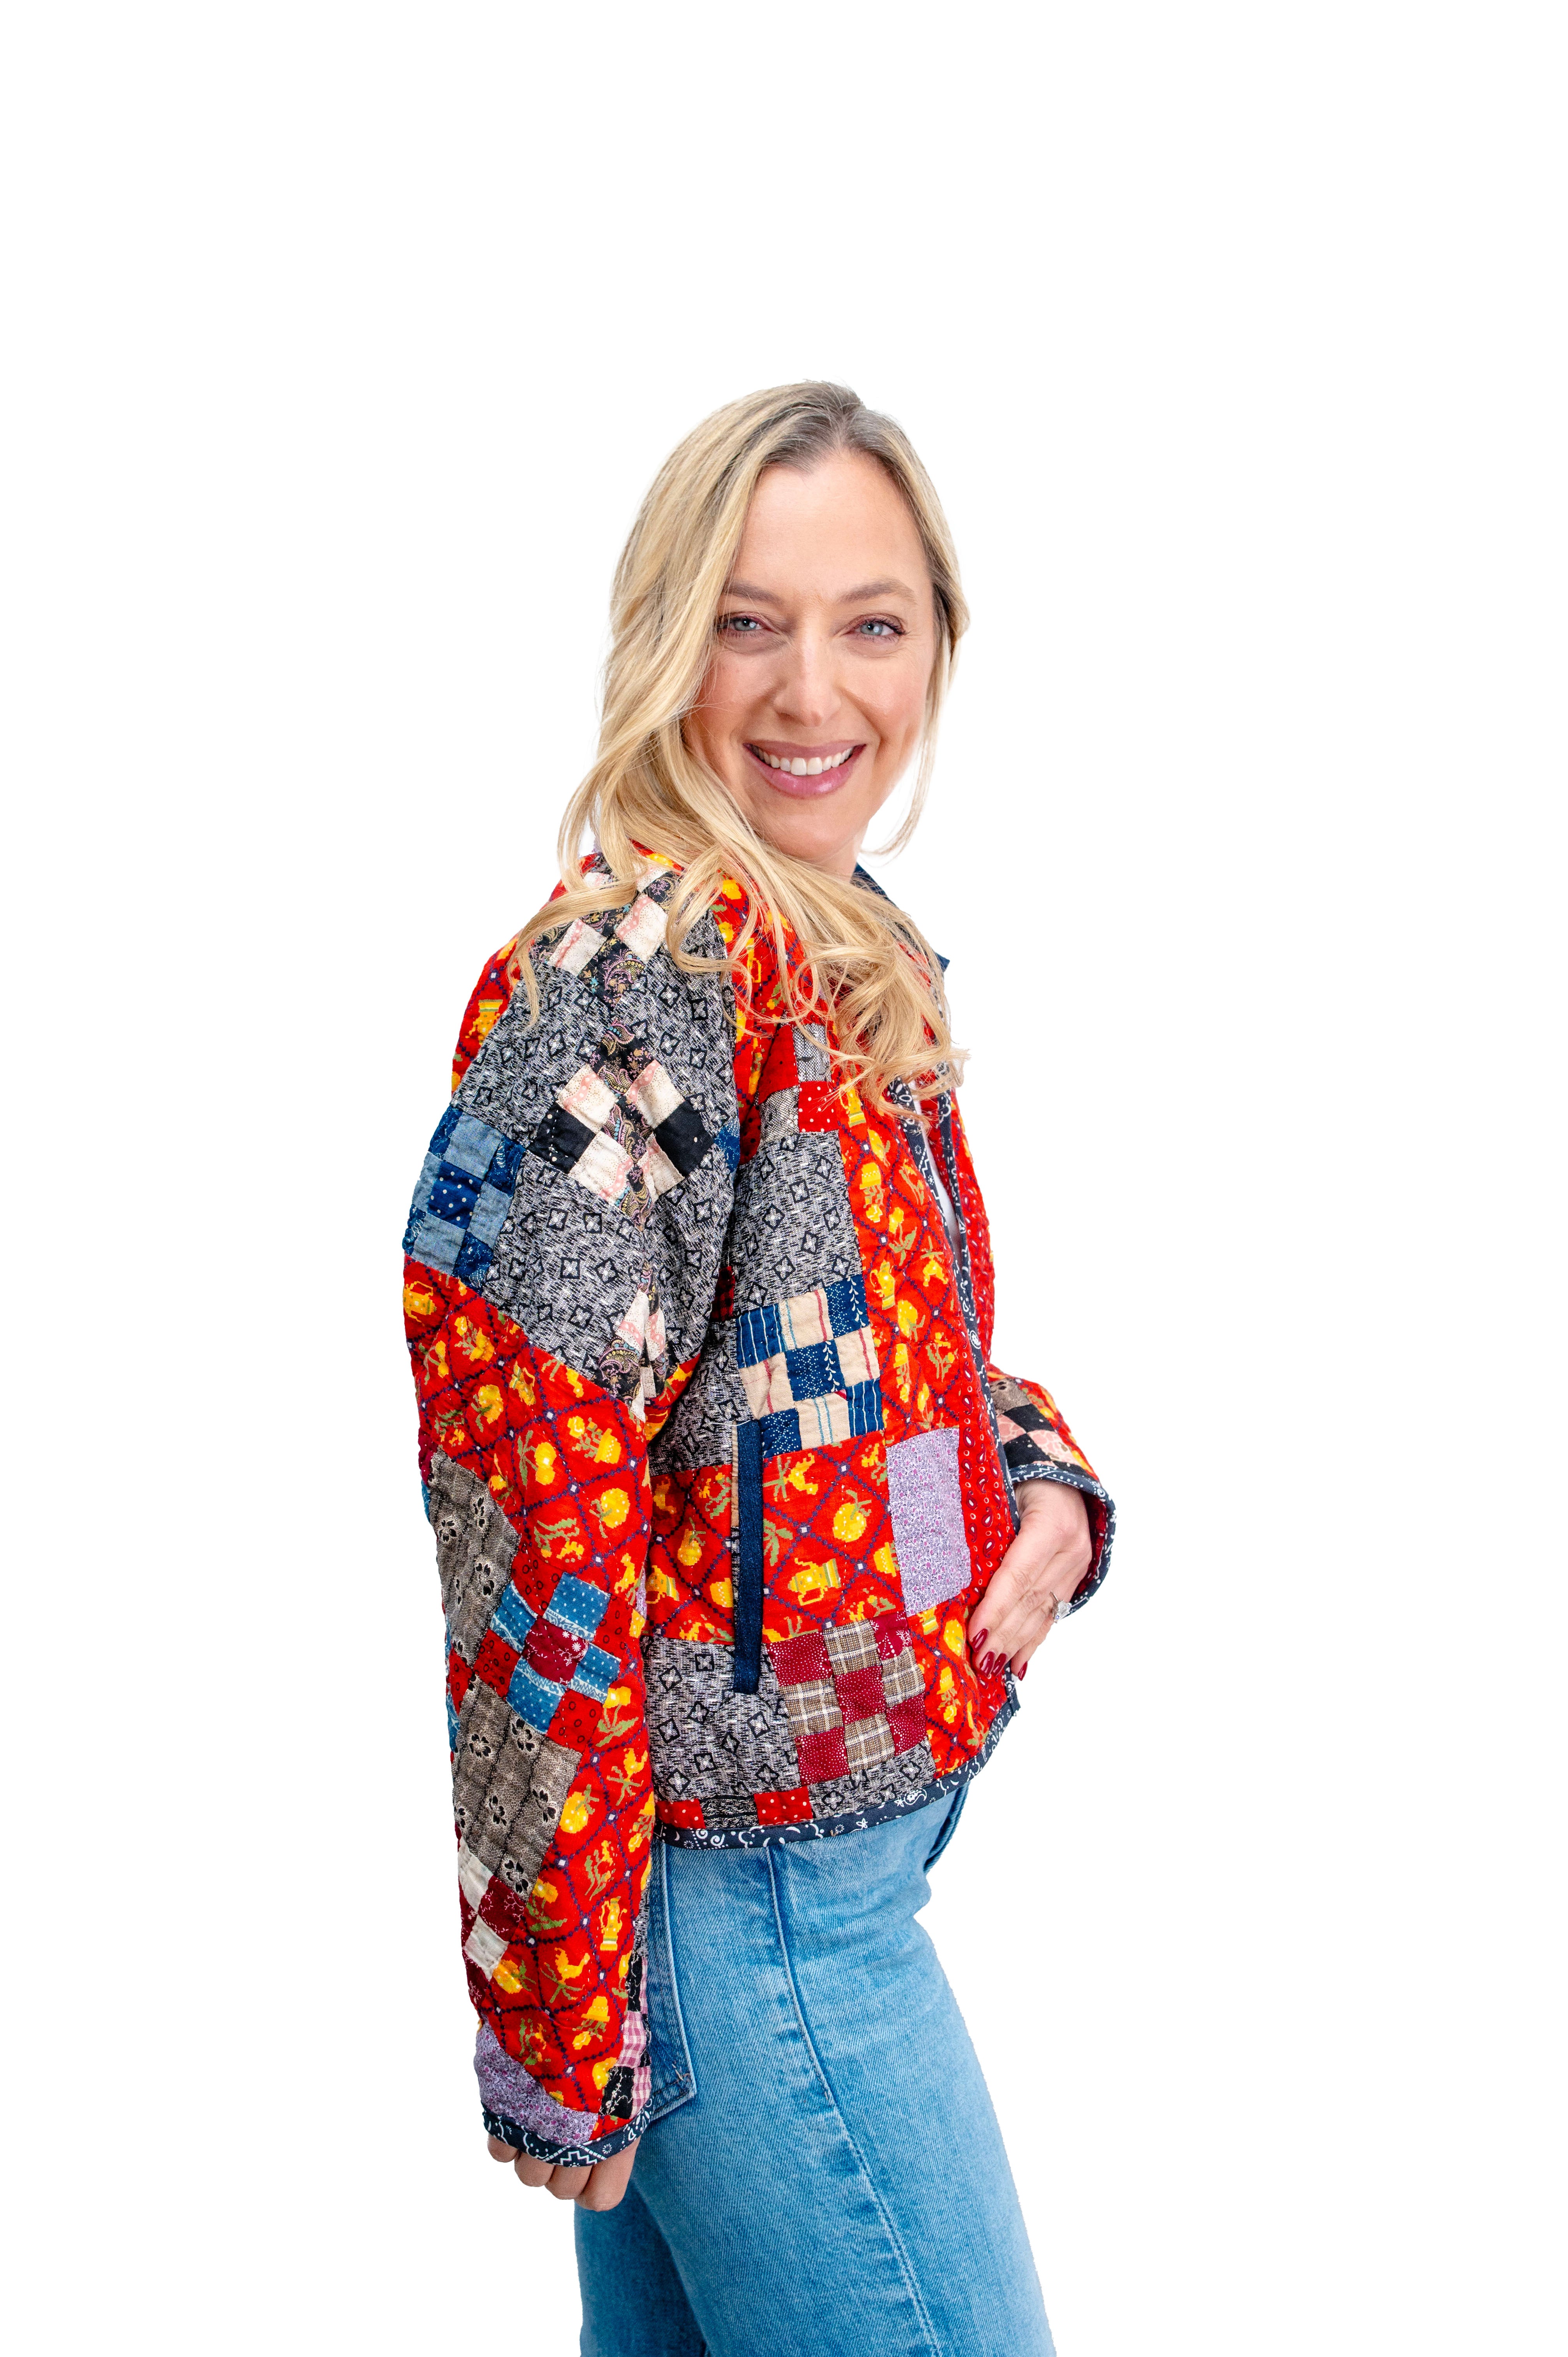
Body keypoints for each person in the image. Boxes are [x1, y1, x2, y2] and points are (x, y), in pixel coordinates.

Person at [401, 382, 1114, 2357]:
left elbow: (861, 1377)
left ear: (937, 641)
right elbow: (524, 1502)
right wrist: (560, 2015)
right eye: (746, 622)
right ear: (666, 643)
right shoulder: (633, 989)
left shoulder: (837, 946)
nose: (813, 691)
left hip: (825, 1868)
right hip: (748, 1917)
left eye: (870, 622)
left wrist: (1032, 1483)